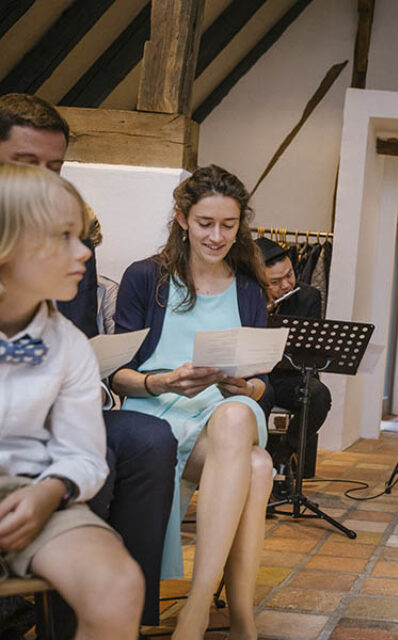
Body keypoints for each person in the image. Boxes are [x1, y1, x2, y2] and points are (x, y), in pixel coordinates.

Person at [0, 92, 176, 632]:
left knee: (116, 580)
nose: (85, 254)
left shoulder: (63, 342)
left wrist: (47, 490)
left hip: (35, 483)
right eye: (64, 238)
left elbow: (82, 449)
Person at [111, 165, 273, 640]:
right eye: (206, 223)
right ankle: (238, 616)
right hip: (156, 415)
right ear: (182, 218)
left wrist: (249, 388)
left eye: (229, 224)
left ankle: (197, 608)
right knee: (258, 467)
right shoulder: (146, 277)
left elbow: (262, 380)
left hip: (223, 414)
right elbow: (118, 376)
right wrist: (162, 382)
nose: (217, 235)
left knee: (238, 413)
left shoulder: (248, 286)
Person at [253, 237, 332, 476]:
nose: (287, 285)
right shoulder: (246, 298)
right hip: (255, 373)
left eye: (289, 274)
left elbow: (308, 351)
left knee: (319, 396)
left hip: (287, 375)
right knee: (259, 397)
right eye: (275, 282)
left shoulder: (308, 297)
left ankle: (284, 455)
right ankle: (255, 463)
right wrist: (261, 313)